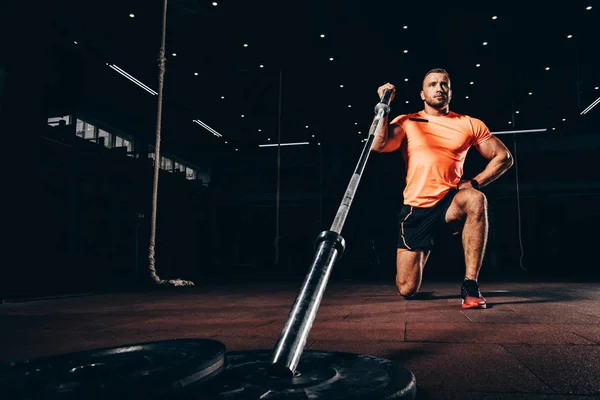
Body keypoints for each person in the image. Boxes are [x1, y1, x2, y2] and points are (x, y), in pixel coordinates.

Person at [371, 68, 513, 309]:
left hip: (449, 202)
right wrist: (383, 108)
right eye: (433, 84)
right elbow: (378, 144)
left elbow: (504, 157)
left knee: (476, 199)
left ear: (450, 92)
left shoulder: (468, 123)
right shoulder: (407, 121)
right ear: (423, 94)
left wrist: (474, 182)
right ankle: (422, 249)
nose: (439, 88)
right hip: (416, 209)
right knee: (406, 289)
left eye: (444, 84)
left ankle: (470, 285)